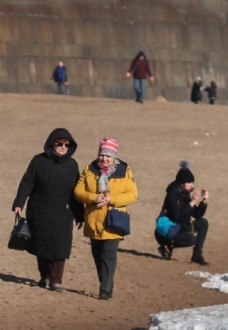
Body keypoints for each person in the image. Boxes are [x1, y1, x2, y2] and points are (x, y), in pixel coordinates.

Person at [13, 128, 80, 291]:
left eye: (66, 144)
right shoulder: (38, 161)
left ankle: (56, 280)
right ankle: (44, 276)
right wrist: (19, 202)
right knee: (41, 246)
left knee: (60, 247)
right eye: (59, 143)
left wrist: (80, 214)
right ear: (51, 144)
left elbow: (76, 192)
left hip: (63, 212)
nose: (63, 147)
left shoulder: (72, 165)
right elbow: (27, 182)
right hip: (39, 209)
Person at [73, 138, 138, 301]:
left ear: (114, 157)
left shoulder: (124, 171)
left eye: (108, 156)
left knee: (109, 254)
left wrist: (111, 199)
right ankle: (106, 283)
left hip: (113, 221)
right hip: (94, 220)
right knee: (98, 255)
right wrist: (95, 198)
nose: (104, 159)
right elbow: (78, 192)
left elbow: (132, 194)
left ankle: (105, 289)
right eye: (102, 155)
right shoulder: (89, 170)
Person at [158, 164, 210, 265]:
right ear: (182, 183)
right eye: (189, 182)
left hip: (180, 228)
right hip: (168, 230)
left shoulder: (185, 195)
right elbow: (177, 217)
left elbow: (197, 215)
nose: (192, 185)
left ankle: (197, 255)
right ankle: (167, 246)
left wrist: (204, 201)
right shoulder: (172, 195)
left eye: (192, 183)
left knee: (203, 223)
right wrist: (192, 202)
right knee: (191, 239)